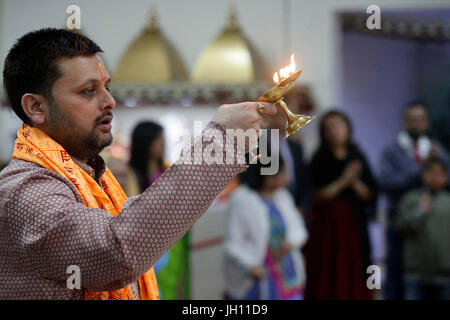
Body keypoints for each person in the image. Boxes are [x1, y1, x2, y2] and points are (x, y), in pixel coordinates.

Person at [0, 28, 277, 300]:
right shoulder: (24, 192)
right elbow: (116, 251)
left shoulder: (91, 174)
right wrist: (221, 142)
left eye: (106, 88)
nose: (109, 101)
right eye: (88, 91)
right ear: (36, 107)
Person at [378, 102, 449, 300]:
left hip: (435, 220)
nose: (417, 124)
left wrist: (439, 160)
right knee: (397, 273)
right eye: (413, 119)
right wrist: (421, 171)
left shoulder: (436, 148)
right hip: (401, 218)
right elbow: (386, 182)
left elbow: (445, 178)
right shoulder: (392, 150)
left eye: (421, 120)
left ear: (427, 123)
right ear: (405, 122)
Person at [304, 110, 378, 300]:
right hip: (327, 230)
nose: (333, 132)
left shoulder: (358, 157)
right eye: (327, 128)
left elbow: (370, 194)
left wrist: (355, 183)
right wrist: (344, 181)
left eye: (337, 126)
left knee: (359, 271)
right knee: (328, 274)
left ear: (347, 128)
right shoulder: (319, 159)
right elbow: (317, 195)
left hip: (355, 227)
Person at [224, 154, 308, 300]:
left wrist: (290, 243)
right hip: (256, 278)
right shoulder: (242, 199)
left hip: (287, 277)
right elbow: (233, 244)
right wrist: (251, 266)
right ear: (269, 177)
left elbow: (299, 229)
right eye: (282, 171)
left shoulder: (282, 196)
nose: (287, 176)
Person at [129, 121, 190, 300]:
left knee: (175, 283)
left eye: (163, 139)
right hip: (147, 243)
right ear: (145, 142)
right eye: (158, 140)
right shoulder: (132, 174)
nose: (162, 144)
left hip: (174, 240)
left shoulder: (167, 171)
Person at [395, 157, 450, 300]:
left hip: (444, 271)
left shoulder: (448, 202)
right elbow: (400, 227)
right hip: (415, 271)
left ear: (446, 177)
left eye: (439, 173)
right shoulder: (410, 199)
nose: (434, 177)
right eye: (430, 172)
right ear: (423, 175)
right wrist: (419, 212)